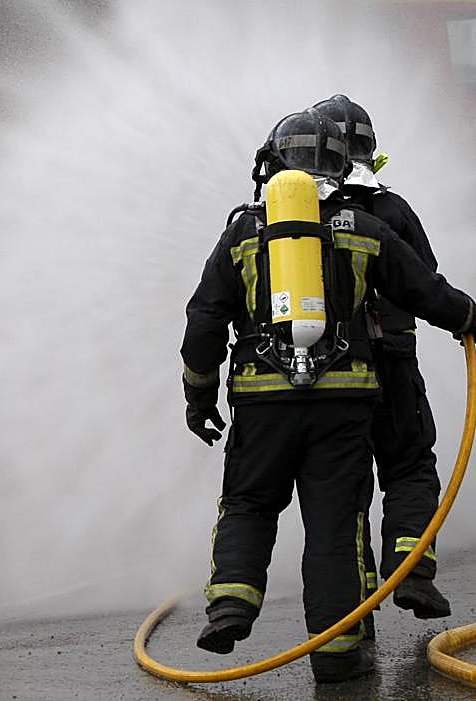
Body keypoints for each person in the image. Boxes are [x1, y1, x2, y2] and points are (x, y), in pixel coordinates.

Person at [180, 109, 474, 683]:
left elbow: (204, 321)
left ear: (274, 161)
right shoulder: (364, 228)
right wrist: (468, 317)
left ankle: (232, 606)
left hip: (262, 400)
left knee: (248, 504)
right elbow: (424, 288)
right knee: (336, 527)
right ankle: (337, 656)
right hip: (345, 401)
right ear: (343, 163)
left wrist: (199, 395)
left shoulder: (245, 230)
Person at [313, 94, 450, 621]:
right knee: (410, 466)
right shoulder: (391, 209)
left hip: (329, 374)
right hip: (392, 361)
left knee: (344, 487)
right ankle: (412, 572)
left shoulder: (291, 219)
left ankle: (353, 607)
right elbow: (424, 281)